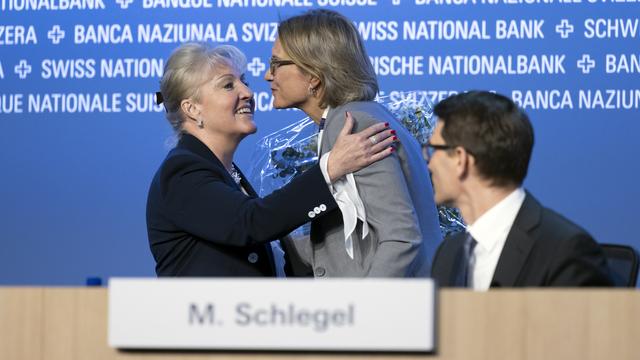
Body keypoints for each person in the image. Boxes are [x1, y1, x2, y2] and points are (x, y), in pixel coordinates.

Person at [147, 43, 395, 277]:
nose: (247, 92)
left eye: (243, 82)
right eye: (228, 85)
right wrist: (330, 169)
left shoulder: (223, 170)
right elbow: (252, 223)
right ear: (192, 109)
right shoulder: (181, 172)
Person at [264, 9, 442, 277]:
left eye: (277, 64)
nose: (268, 75)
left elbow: (401, 237)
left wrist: (362, 309)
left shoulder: (353, 123)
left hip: (389, 312)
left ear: (313, 75)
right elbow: (351, 242)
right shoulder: (354, 117)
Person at [427, 91, 613, 288]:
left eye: (433, 149)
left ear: (460, 159)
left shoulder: (566, 251)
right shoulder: (448, 254)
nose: (429, 163)